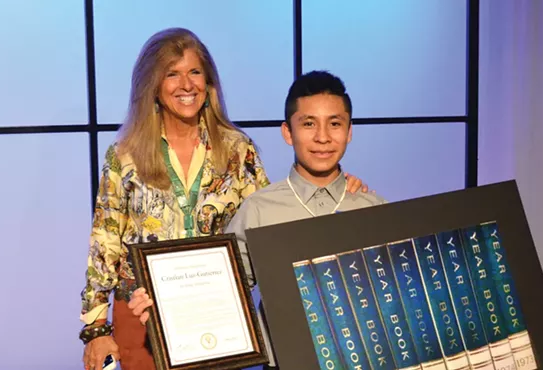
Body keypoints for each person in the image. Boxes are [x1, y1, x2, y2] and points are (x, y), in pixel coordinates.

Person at [79, 28, 369, 370]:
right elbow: (105, 241)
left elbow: (274, 221)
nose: (186, 85)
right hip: (143, 316)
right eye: (172, 74)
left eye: (195, 72)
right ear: (152, 86)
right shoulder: (124, 155)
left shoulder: (237, 150)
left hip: (215, 315)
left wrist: (335, 189)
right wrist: (96, 329)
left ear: (209, 82)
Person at [129, 70, 387, 369]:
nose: (323, 137)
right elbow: (220, 290)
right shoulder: (258, 209)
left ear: (349, 131)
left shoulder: (374, 208)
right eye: (308, 124)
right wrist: (162, 306)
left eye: (335, 124)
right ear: (287, 132)